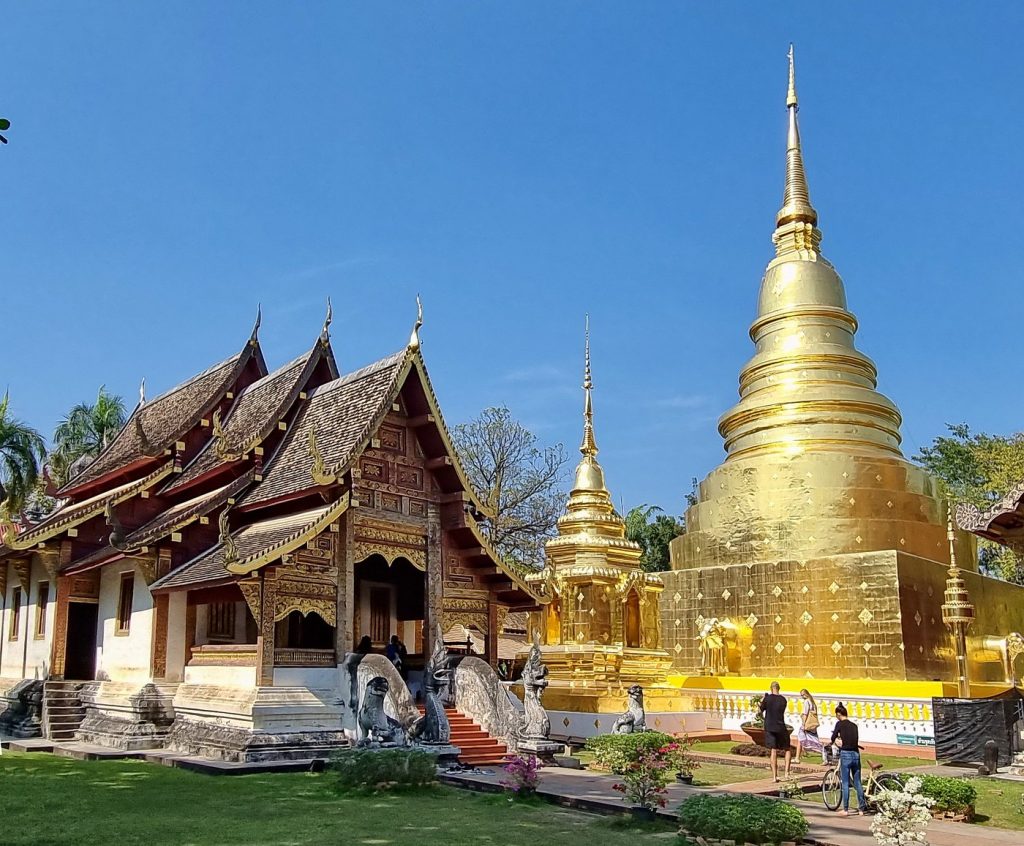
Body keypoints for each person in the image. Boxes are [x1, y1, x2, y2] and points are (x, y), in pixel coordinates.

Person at [829, 703, 867, 816]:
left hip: (845, 754)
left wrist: (835, 741)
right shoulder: (854, 725)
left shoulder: (839, 724)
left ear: (838, 714)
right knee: (857, 782)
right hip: (856, 754)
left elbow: (833, 737)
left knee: (845, 782)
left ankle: (845, 809)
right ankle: (861, 809)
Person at [759, 681, 792, 782]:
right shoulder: (783, 700)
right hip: (780, 726)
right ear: (779, 688)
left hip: (769, 726)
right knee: (787, 749)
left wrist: (761, 702)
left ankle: (774, 776)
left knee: (773, 750)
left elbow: (760, 712)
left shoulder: (767, 699)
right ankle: (786, 773)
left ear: (771, 688)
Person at [794, 688, 825, 764]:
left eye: (803, 695)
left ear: (806, 694)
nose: (802, 697)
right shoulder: (812, 702)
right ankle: (797, 757)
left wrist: (804, 724)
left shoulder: (807, 702)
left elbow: (805, 713)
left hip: (807, 724)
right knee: (802, 740)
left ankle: (825, 753)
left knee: (805, 741)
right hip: (812, 725)